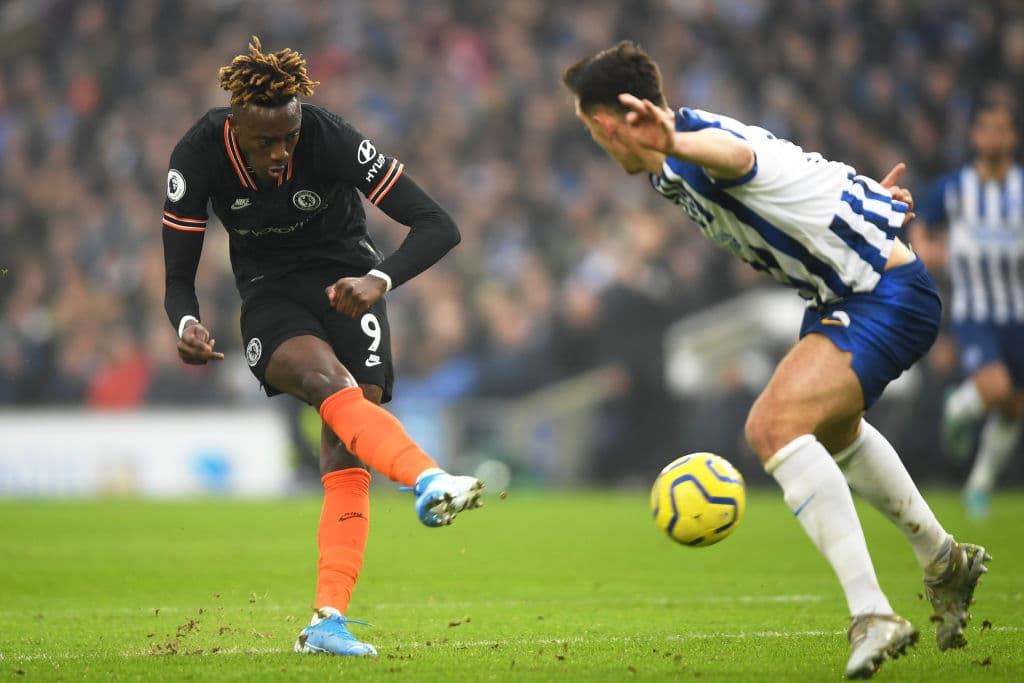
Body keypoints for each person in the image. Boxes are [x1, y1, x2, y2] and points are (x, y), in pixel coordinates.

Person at [562, 41, 989, 680]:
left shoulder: (698, 146)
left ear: (609, 120)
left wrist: (673, 139)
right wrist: (867, 197)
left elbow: (742, 158)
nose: (595, 140)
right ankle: (944, 560)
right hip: (843, 293)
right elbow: (793, 168)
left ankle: (872, 613)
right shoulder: (668, 167)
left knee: (771, 426)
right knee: (837, 434)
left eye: (590, 125)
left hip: (883, 294)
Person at [162, 37, 484, 657]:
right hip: (269, 296)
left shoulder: (330, 135)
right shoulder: (197, 152)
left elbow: (439, 224)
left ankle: (327, 621)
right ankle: (429, 477)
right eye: (265, 143)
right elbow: (178, 276)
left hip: (350, 285)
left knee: (346, 453)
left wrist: (377, 279)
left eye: (289, 137)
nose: (281, 153)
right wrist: (185, 325)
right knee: (326, 385)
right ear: (235, 126)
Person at [911, 94, 1023, 520]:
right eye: (986, 128)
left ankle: (980, 483)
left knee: (1013, 408)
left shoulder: (1020, 188)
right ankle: (959, 408)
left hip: (1018, 311)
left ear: (1012, 137)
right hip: (976, 310)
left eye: (1002, 128)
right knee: (994, 389)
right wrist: (927, 253)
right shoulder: (955, 188)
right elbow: (921, 227)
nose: (994, 136)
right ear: (975, 135)